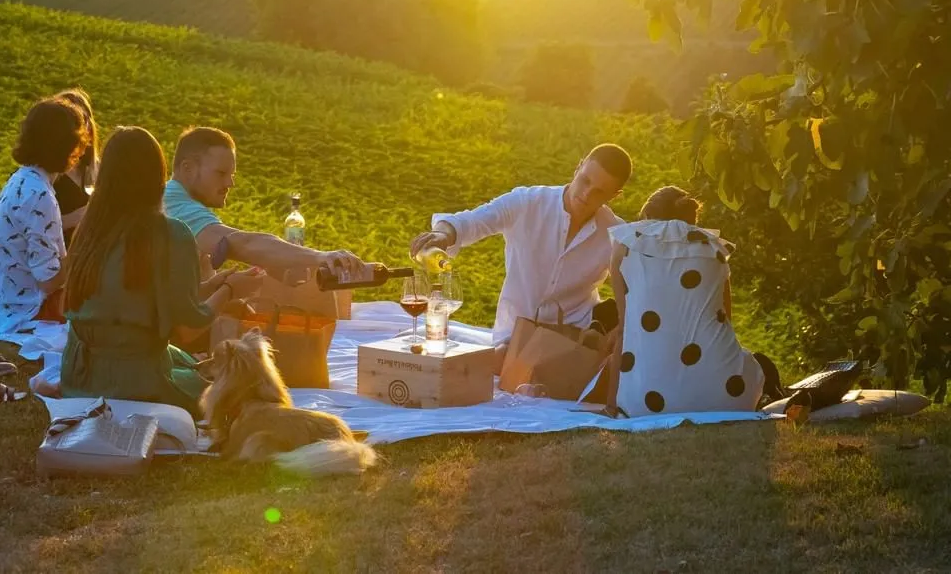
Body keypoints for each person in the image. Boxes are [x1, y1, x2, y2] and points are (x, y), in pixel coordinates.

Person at [59, 126, 265, 415]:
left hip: (79, 378)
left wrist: (216, 283)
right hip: (137, 386)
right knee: (235, 389)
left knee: (186, 362)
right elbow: (189, 326)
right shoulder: (169, 234)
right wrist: (230, 291)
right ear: (157, 176)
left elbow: (145, 297)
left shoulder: (90, 230)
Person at [409, 144, 633, 366]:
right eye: (585, 180)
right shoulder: (527, 202)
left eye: (599, 192)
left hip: (573, 337)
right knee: (502, 366)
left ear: (614, 195)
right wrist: (442, 235)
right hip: (513, 335)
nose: (586, 194)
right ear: (579, 167)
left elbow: (636, 290)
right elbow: (471, 221)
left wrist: (613, 331)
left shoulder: (616, 234)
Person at [604, 186, 765, 417]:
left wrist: (611, 404)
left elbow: (624, 330)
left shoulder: (626, 245)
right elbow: (725, 321)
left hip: (645, 405)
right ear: (692, 222)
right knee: (757, 362)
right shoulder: (713, 249)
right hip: (727, 397)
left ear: (648, 218)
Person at [163, 127, 367, 281]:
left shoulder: (180, 202)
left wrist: (267, 270)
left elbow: (199, 289)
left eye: (231, 175)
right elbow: (240, 243)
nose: (230, 183)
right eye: (221, 173)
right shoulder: (174, 203)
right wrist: (320, 257)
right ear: (188, 169)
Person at [0, 97, 89, 324]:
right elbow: (50, 282)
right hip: (32, 308)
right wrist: (83, 246)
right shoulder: (39, 195)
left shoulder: (22, 178)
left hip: (11, 298)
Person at [52, 88, 99, 247]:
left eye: (83, 122)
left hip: (90, 257)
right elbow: (34, 226)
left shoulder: (97, 168)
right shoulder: (47, 174)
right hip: (57, 259)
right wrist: (77, 217)